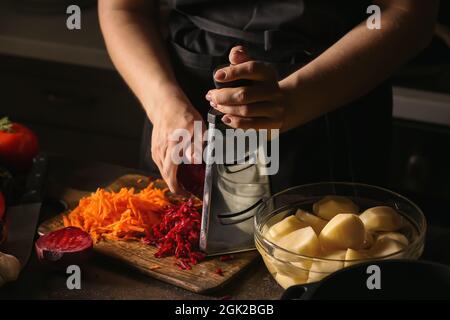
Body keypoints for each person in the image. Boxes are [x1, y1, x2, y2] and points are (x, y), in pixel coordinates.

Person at [98, 0, 438, 194]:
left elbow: (411, 14)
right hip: (178, 102)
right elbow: (124, 9)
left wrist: (295, 100)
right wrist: (164, 105)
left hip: (333, 99)